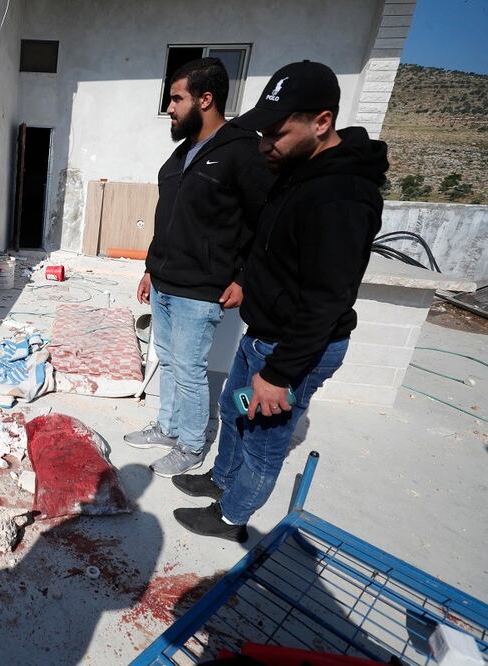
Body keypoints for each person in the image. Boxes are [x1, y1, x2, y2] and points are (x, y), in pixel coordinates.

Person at [171, 60, 389, 542]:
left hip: (294, 351)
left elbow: (327, 300)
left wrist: (281, 374)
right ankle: (221, 480)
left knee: (264, 441)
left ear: (322, 122)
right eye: (263, 132)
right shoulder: (297, 169)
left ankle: (232, 518)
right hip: (263, 338)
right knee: (232, 412)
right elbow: (276, 246)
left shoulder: (343, 197)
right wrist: (251, 283)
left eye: (277, 134)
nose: (265, 145)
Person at [126, 58, 273, 478]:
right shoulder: (183, 153)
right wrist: (151, 268)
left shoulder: (243, 152)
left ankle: (191, 445)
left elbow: (263, 222)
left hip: (201, 288)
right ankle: (169, 428)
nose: (169, 107)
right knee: (169, 361)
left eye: (177, 98)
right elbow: (168, 216)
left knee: (190, 370)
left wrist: (243, 278)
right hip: (166, 281)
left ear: (205, 99)